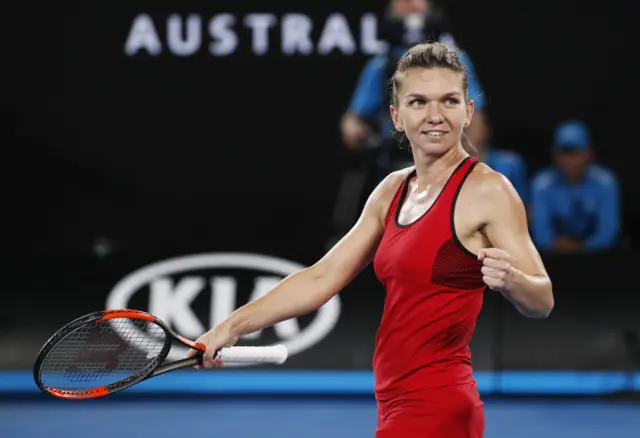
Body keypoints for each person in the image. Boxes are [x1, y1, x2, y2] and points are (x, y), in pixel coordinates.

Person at [188, 43, 554, 437]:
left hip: (439, 406)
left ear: (468, 111)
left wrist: (512, 281)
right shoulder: (392, 190)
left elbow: (543, 300)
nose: (435, 116)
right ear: (397, 117)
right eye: (418, 102)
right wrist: (230, 326)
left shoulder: (489, 190)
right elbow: (322, 276)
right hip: (394, 402)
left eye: (448, 101)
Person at [530, 119, 621, 253]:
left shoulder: (605, 182)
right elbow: (541, 235)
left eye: (576, 151)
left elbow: (608, 233)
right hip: (553, 259)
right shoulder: (541, 184)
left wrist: (581, 248)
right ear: (555, 154)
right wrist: (561, 247)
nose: (571, 159)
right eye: (565, 151)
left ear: (589, 153)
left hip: (598, 259)